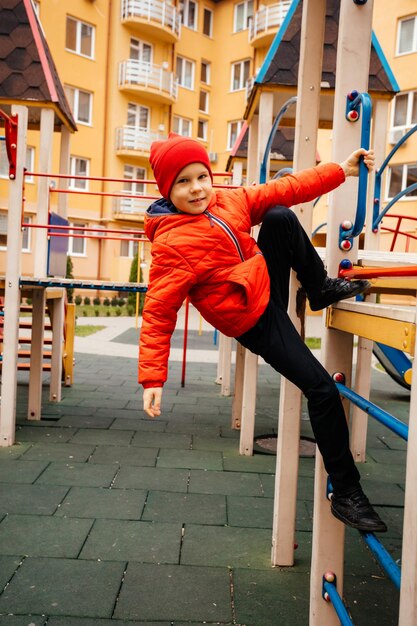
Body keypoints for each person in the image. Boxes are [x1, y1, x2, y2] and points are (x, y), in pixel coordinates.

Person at [139, 132, 387, 533]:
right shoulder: (172, 245)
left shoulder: (229, 200)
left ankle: (319, 288)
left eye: (201, 176)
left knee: (278, 214)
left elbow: (285, 187)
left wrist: (339, 171)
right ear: (167, 190)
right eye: (183, 182)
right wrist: (153, 377)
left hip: (263, 285)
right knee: (322, 388)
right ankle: (346, 491)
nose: (196, 188)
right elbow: (158, 311)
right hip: (252, 320)